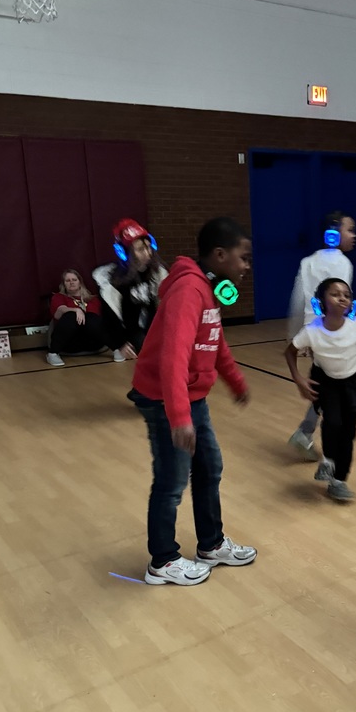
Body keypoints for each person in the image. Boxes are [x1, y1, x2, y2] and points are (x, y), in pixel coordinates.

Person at [129, 216, 257, 585]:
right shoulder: (188, 290)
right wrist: (179, 416)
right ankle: (163, 561)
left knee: (208, 468)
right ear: (219, 255)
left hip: (191, 397)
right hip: (163, 398)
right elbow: (173, 357)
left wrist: (235, 380)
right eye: (243, 257)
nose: (247, 266)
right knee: (171, 481)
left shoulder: (207, 289)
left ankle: (210, 544)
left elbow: (214, 339)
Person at [285, 277, 356, 502]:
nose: (342, 297)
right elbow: (290, 351)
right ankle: (328, 462)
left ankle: (339, 480)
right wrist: (298, 380)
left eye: (346, 294)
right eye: (335, 294)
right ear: (321, 301)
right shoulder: (312, 331)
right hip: (327, 382)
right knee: (333, 423)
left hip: (354, 381)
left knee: (349, 431)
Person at [287, 211, 356, 461]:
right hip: (331, 333)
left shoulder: (309, 261)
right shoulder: (342, 264)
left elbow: (300, 299)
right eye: (350, 230)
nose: (354, 235)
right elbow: (341, 305)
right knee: (334, 386)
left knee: (327, 383)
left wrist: (302, 334)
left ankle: (306, 432)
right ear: (334, 233)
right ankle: (309, 434)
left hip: (314, 331)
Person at [93, 219, 168, 362]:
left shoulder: (158, 275)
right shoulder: (113, 282)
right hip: (133, 336)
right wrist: (119, 343)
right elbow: (108, 319)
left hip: (155, 332)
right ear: (125, 253)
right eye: (140, 249)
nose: (147, 253)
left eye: (148, 247)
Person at [46, 269, 105, 366]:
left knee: (91, 317)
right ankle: (52, 354)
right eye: (68, 281)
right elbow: (59, 312)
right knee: (70, 315)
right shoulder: (58, 297)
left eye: (74, 279)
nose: (71, 282)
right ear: (64, 284)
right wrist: (76, 310)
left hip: (93, 341)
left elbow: (97, 320)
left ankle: (116, 348)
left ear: (80, 282)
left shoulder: (93, 299)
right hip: (69, 342)